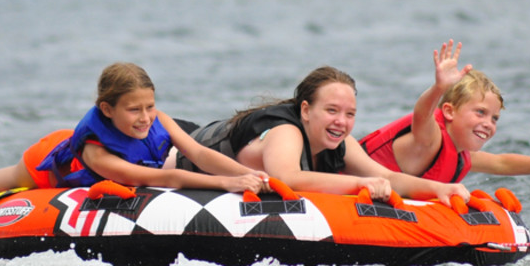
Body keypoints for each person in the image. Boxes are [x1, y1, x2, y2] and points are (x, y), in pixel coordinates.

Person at [0, 62, 270, 216]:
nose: (146, 118)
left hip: (83, 150)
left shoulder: (158, 120)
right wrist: (227, 183)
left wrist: (250, 176)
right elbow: (163, 179)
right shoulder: (97, 154)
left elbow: (199, 152)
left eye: (150, 106)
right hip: (52, 161)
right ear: (107, 109)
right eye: (134, 110)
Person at [169, 66, 469, 206]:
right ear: (306, 110)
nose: (341, 122)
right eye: (332, 110)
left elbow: (387, 178)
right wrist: (359, 183)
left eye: (349, 114)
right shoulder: (285, 132)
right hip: (170, 150)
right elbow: (288, 178)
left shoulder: (340, 142)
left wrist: (439, 189)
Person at [359, 40, 530, 183]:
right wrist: (438, 88)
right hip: (343, 184)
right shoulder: (428, 138)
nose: (489, 124)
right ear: (449, 112)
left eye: (494, 118)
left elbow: (502, 163)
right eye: (480, 113)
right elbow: (421, 114)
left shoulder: (459, 153)